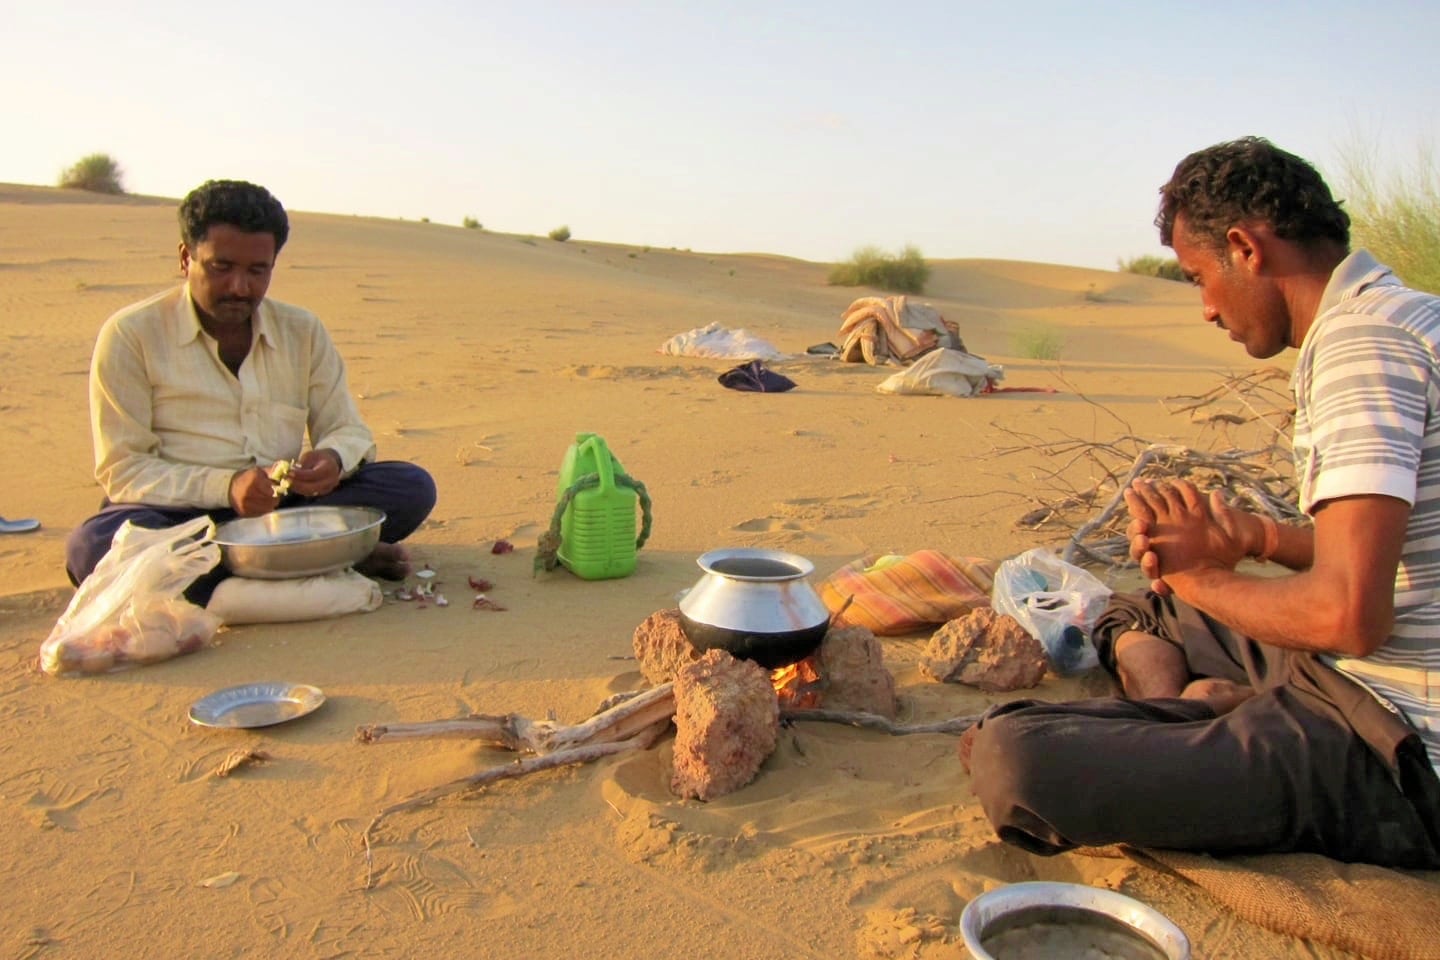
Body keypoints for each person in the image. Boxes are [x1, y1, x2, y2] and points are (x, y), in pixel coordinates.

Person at [964, 138, 1440, 869]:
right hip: (1369, 674)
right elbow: (1398, 549)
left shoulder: (1359, 351)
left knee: (1014, 757)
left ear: (1246, 248)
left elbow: (1349, 615)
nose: (1207, 311)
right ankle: (1198, 711)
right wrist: (1254, 538)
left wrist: (1199, 577)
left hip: (1396, 741)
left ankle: (1200, 726)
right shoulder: (1410, 319)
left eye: (1198, 278)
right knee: (1144, 610)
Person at [66, 179, 436, 605]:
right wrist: (227, 487)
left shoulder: (302, 330)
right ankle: (320, 562)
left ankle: (243, 578)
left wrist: (333, 459)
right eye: (221, 267)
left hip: (283, 513)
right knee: (93, 545)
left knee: (410, 486)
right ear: (186, 257)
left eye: (257, 271)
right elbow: (126, 470)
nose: (240, 287)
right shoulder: (131, 334)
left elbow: (347, 429)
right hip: (184, 516)